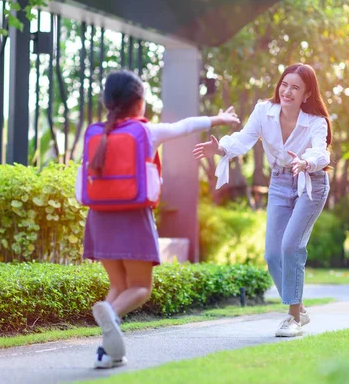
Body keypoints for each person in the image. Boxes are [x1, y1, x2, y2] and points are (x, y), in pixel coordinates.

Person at [83, 70, 239, 368]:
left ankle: (108, 352)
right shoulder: (145, 132)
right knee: (140, 288)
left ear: (107, 102)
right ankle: (111, 314)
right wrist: (218, 120)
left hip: (99, 218)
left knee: (118, 286)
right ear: (139, 103)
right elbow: (183, 126)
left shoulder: (97, 134)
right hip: (132, 216)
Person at [192, 63, 331, 337]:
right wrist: (220, 147)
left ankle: (292, 318)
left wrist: (305, 161)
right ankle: (299, 307)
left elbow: (321, 153)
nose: (287, 91)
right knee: (271, 255)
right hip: (279, 182)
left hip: (310, 184)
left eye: (295, 88)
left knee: (291, 246)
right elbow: (244, 140)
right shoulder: (263, 112)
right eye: (284, 84)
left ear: (306, 95)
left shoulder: (316, 122)